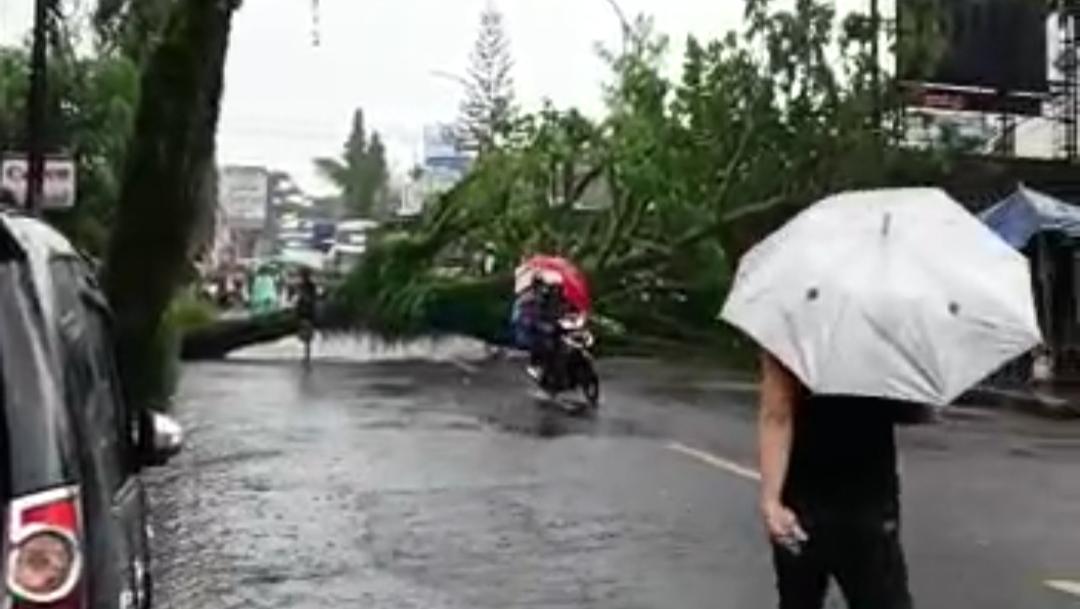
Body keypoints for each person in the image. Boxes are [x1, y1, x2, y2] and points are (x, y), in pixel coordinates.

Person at [758, 352, 913, 609]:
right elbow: (911, 412)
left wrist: (771, 502)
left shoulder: (792, 328)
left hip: (800, 497)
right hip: (868, 499)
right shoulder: (887, 335)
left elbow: (777, 413)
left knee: (799, 600)